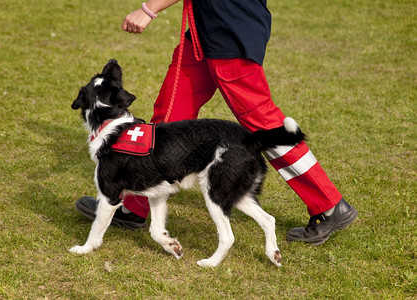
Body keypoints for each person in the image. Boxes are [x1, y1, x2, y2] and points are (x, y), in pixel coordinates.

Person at [75, 0, 357, 245]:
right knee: (170, 115)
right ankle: (134, 204)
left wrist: (149, 9)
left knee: (263, 124)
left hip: (229, 28)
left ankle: (329, 205)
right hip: (204, 29)